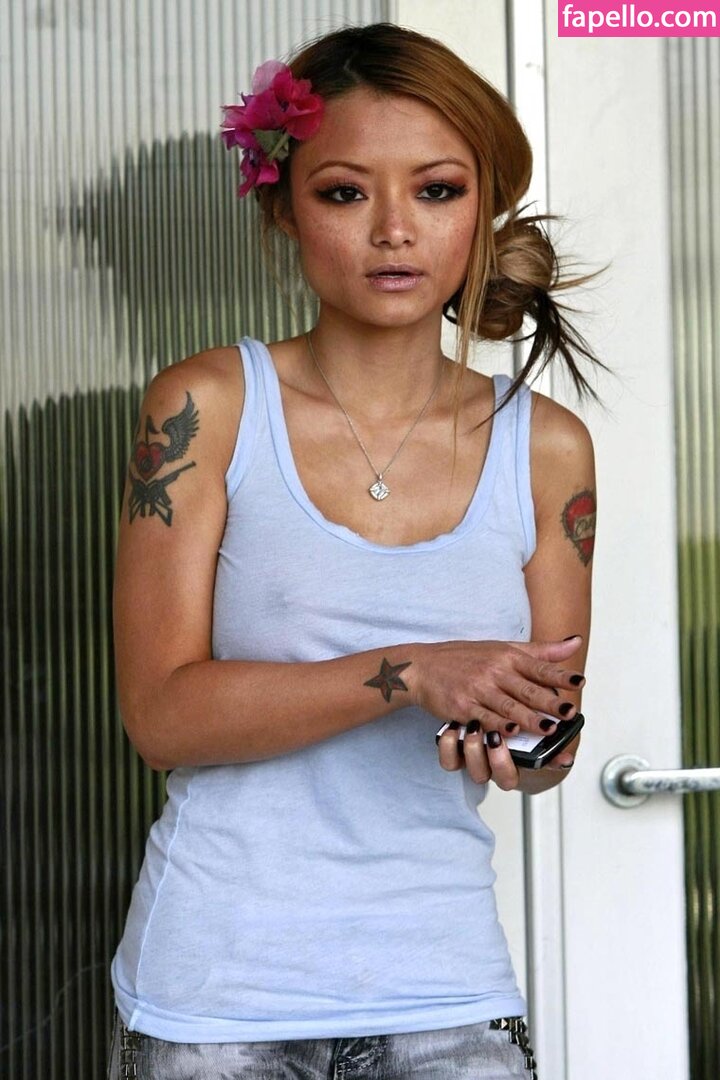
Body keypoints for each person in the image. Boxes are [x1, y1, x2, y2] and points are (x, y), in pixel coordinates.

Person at [107, 22, 599, 1080]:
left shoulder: (547, 447)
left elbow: (551, 736)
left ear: (481, 206)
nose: (394, 231)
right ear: (285, 208)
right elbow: (160, 718)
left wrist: (521, 738)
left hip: (451, 992)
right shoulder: (207, 408)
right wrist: (413, 674)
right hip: (217, 1003)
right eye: (344, 192)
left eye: (437, 190)